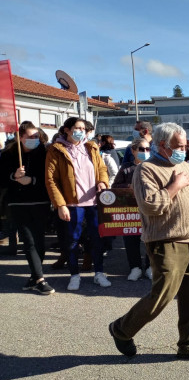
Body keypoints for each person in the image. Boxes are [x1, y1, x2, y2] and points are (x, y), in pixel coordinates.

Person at [109, 122, 189, 360]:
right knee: (162, 295)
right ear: (163, 145)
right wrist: (174, 185)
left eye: (186, 144)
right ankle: (121, 330)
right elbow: (150, 206)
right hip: (166, 242)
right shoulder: (146, 170)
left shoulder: (187, 167)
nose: (186, 149)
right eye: (179, 145)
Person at [45, 117, 111, 291]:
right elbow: (51, 180)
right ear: (67, 129)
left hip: (94, 203)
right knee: (72, 241)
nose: (80, 131)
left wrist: (103, 182)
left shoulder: (91, 147)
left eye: (83, 128)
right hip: (72, 204)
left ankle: (99, 273)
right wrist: (60, 204)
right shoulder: (56, 150)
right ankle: (74, 275)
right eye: (77, 127)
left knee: (97, 239)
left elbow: (102, 169)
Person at [0, 121, 53, 294]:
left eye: (36, 136)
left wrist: (32, 180)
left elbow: (48, 177)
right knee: (28, 240)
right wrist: (14, 176)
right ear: (21, 137)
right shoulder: (8, 154)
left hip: (40, 202)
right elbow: (1, 178)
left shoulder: (44, 153)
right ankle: (40, 279)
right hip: (18, 203)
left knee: (39, 242)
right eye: (30, 136)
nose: (34, 139)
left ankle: (33, 275)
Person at [111, 137, 152, 281]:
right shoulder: (126, 167)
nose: (145, 152)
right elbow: (115, 186)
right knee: (131, 239)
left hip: (149, 209)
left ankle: (150, 267)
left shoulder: (154, 166)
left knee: (150, 238)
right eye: (141, 149)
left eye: (148, 149)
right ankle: (135, 267)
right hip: (130, 211)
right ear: (134, 151)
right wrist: (128, 187)